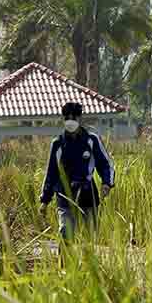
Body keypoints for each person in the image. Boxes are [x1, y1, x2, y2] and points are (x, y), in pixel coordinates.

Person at [40, 102, 115, 239]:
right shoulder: (57, 144)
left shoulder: (91, 140)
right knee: (65, 233)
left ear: (80, 119)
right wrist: (45, 200)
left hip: (87, 193)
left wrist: (106, 183)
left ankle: (88, 260)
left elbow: (105, 164)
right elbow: (51, 173)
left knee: (90, 236)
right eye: (67, 118)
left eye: (73, 118)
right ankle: (64, 260)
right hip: (64, 194)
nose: (70, 121)